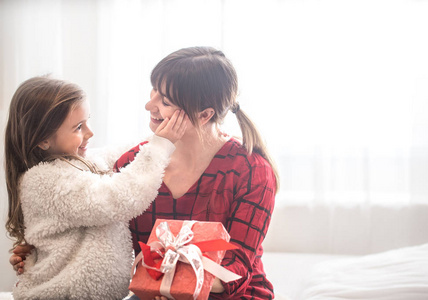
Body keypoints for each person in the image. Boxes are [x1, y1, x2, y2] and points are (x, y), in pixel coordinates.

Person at [11, 47, 279, 299]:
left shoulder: (251, 170)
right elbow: (99, 233)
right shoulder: (134, 167)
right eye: (153, 92)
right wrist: (41, 252)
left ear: (205, 114)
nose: (149, 106)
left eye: (164, 100)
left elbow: (236, 270)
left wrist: (175, 284)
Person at [4, 76, 187, 300]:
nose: (89, 133)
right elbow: (119, 198)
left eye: (87, 121)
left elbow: (121, 153)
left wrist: (164, 138)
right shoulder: (44, 181)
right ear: (43, 139)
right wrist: (161, 145)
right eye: (79, 127)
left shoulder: (81, 163)